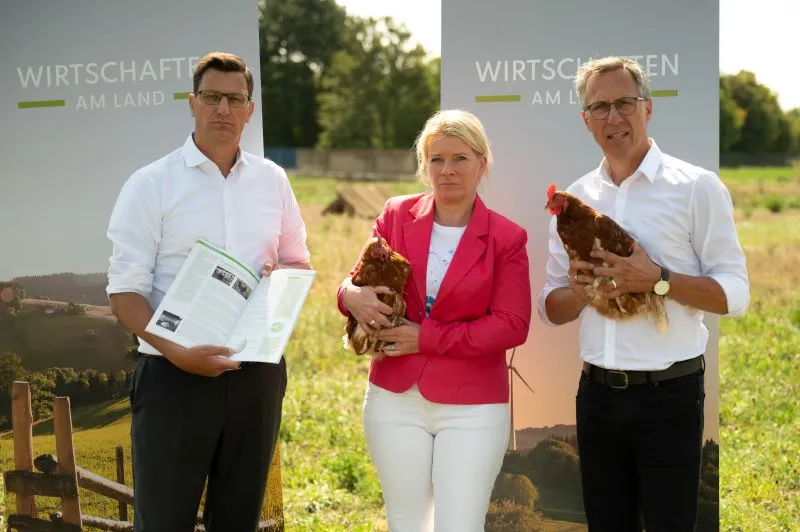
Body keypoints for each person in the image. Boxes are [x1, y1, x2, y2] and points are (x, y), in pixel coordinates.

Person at [538, 56, 750, 531]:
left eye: (624, 103)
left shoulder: (696, 188)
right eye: (600, 107)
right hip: (596, 397)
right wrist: (580, 289)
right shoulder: (575, 198)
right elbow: (551, 307)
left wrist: (657, 279)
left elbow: (735, 294)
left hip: (668, 397)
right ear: (585, 119)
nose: (614, 117)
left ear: (648, 108)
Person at [106, 52, 311, 532]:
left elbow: (297, 263)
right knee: (162, 522)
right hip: (173, 378)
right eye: (212, 97)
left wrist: (277, 280)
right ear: (192, 103)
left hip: (256, 375)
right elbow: (124, 294)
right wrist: (179, 354)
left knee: (239, 520)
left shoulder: (272, 180)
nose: (223, 109)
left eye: (234, 99)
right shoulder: (150, 185)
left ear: (249, 110)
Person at [336, 109, 532, 531]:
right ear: (424, 166)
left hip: (473, 406)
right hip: (393, 398)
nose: (447, 170)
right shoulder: (394, 214)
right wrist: (348, 295)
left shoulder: (507, 238)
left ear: (482, 163)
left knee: (458, 525)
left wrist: (427, 338)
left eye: (460, 158)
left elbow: (512, 324)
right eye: (436, 159)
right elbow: (356, 282)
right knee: (405, 522)